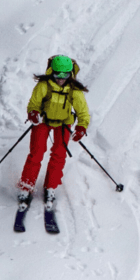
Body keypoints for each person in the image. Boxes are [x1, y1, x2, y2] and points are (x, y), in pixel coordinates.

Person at [17, 54, 90, 211]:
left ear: (70, 74)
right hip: (43, 121)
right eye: (58, 74)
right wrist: (33, 113)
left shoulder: (74, 90)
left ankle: (50, 187)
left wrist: (81, 127)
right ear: (52, 71)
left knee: (59, 154)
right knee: (36, 153)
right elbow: (34, 104)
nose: (61, 78)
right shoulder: (44, 86)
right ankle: (26, 187)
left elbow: (83, 112)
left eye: (65, 75)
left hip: (63, 124)